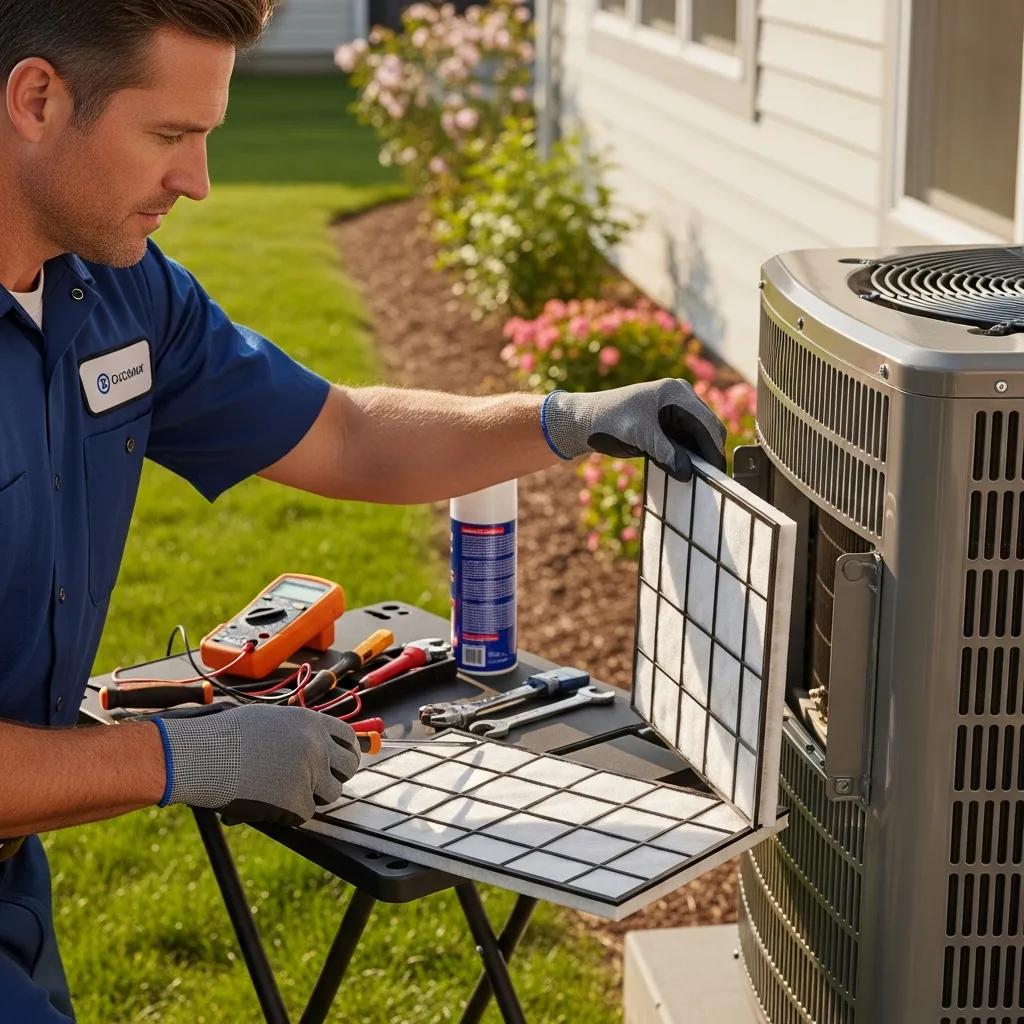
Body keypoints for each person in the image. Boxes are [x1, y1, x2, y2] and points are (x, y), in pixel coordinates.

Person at [0, 0, 727, 1018]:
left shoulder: (115, 296)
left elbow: (344, 433)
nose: (197, 180)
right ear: (38, 99)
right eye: (167, 134)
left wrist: (564, 419)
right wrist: (183, 755)